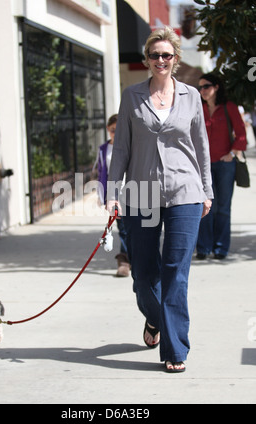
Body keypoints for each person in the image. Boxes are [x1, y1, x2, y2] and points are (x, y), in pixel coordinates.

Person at [107, 27, 213, 373]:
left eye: (167, 55)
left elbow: (201, 147)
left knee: (175, 272)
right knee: (144, 274)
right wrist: (112, 193)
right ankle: (155, 318)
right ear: (147, 60)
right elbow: (121, 146)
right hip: (142, 193)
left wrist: (207, 190)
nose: (161, 60)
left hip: (185, 192)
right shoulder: (132, 96)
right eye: (155, 55)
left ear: (176, 59)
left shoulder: (191, 97)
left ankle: (174, 349)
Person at [196, 73, 247, 260]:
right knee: (204, 206)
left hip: (225, 165)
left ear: (216, 87)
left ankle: (220, 248)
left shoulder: (229, 107)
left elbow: (241, 135)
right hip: (202, 166)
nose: (202, 91)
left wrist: (232, 153)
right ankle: (203, 247)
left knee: (223, 208)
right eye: (200, 87)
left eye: (206, 86)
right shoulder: (197, 108)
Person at [97, 114, 130, 277]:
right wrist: (102, 195)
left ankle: (135, 259)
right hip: (115, 194)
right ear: (108, 130)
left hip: (133, 190)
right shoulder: (104, 149)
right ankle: (124, 261)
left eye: (119, 130)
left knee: (136, 227)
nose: (115, 134)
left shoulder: (130, 146)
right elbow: (101, 173)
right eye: (112, 130)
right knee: (123, 229)